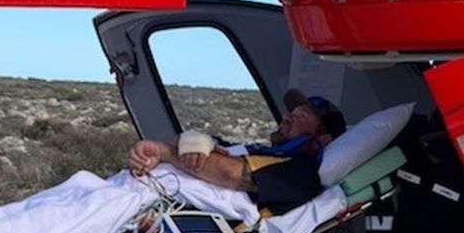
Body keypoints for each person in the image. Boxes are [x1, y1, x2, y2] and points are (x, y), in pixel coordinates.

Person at [127, 89, 347, 215]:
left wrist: (165, 152)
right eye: (293, 111)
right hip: (142, 188)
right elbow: (206, 146)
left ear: (323, 139)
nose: (288, 116)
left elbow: (231, 173)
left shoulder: (300, 172)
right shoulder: (260, 152)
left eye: (302, 116)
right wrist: (184, 143)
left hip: (151, 200)